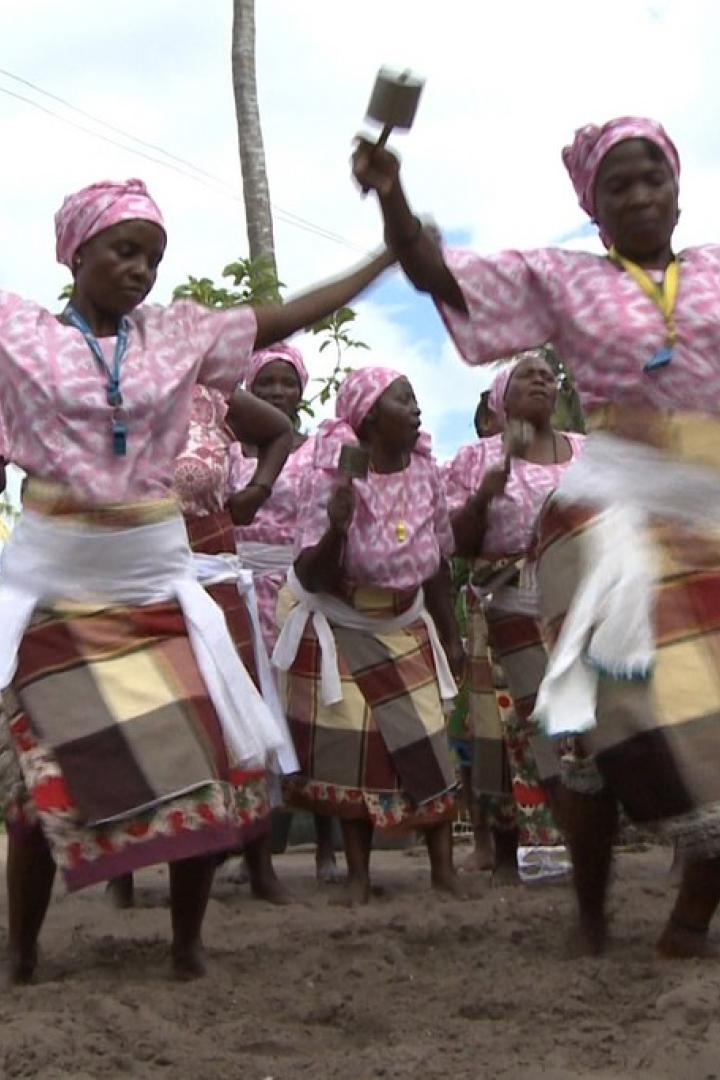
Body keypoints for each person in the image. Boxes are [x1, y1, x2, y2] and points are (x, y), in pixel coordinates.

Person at [0, 177, 395, 984]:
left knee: (204, 771)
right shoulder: (21, 334)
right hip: (58, 594)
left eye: (153, 256)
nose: (141, 269)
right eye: (124, 250)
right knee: (42, 790)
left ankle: (186, 944)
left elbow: (289, 317)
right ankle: (21, 948)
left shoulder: (174, 341)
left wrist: (386, 256)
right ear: (76, 252)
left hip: (156, 586)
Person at [353, 116, 720, 957]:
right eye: (616, 186)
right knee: (605, 719)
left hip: (710, 511)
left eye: (650, 179)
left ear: (677, 188)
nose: (637, 197)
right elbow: (438, 273)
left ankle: (689, 919)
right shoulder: (565, 280)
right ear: (593, 208)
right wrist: (393, 193)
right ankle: (591, 915)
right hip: (609, 515)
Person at [272, 366, 465, 905]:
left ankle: (443, 870)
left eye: (416, 399)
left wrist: (451, 636)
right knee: (354, 754)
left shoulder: (426, 475)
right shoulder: (335, 476)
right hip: (345, 621)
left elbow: (439, 564)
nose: (417, 409)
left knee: (429, 744)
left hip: (406, 624)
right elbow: (312, 574)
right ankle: (358, 876)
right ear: (371, 416)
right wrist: (337, 526)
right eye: (404, 401)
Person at [106, 381, 296, 909]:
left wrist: (256, 491)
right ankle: (122, 874)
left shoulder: (209, 392)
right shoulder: (98, 388)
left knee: (231, 716)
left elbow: (281, 432)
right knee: (140, 715)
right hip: (132, 571)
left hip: (212, 567)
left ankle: (260, 867)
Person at [445, 352, 584, 883]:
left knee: (577, 725)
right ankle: (514, 852)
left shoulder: (586, 455)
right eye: (527, 375)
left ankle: (578, 842)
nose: (542, 380)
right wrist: (486, 491)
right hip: (506, 608)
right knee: (507, 730)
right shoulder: (475, 460)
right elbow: (457, 541)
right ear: (501, 398)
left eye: (549, 375)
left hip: (578, 607)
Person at [228, 343, 342, 883]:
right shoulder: (227, 450)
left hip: (299, 591)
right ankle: (259, 855)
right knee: (248, 720)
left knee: (308, 715)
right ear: (249, 389)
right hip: (236, 591)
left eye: (287, 382)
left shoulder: (319, 449)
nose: (277, 391)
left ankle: (325, 847)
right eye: (265, 383)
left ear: (302, 389)